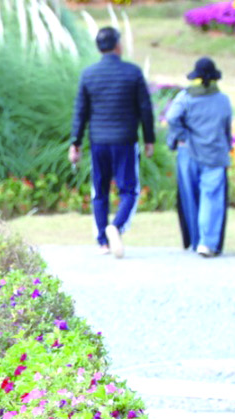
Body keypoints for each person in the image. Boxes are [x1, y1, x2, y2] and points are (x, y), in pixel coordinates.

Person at [69, 26, 156, 259]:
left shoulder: (89, 74)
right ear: (118, 45)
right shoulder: (133, 72)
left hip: (98, 142)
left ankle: (102, 241)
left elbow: (80, 112)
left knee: (100, 190)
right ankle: (116, 226)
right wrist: (149, 139)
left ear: (99, 47)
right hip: (125, 141)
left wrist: (75, 143)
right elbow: (145, 109)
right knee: (129, 190)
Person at [166, 56, 233, 258]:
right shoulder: (223, 100)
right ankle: (207, 243)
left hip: (188, 153)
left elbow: (171, 117)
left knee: (191, 198)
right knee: (211, 198)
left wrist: (183, 136)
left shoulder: (185, 97)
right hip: (215, 155)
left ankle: (195, 241)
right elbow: (226, 129)